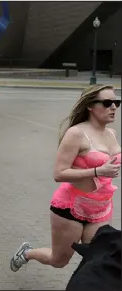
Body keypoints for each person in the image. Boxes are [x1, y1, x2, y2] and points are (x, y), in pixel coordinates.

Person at [10, 85, 121, 272]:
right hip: (71, 208)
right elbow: (59, 173)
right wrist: (97, 171)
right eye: (107, 103)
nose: (114, 108)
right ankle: (27, 252)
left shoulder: (112, 134)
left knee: (98, 260)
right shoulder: (76, 134)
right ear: (90, 106)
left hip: (101, 208)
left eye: (117, 103)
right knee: (59, 260)